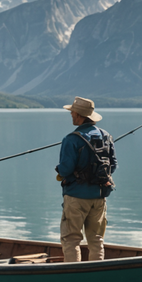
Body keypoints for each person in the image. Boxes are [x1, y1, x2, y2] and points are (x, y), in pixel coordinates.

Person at [55, 96, 116, 262]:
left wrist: (58, 169)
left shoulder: (71, 139)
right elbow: (113, 165)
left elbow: (66, 169)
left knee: (71, 239)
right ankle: (96, 275)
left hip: (76, 197)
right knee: (96, 239)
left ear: (79, 115)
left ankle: (72, 277)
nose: (71, 115)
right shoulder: (106, 136)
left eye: (73, 112)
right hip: (99, 196)